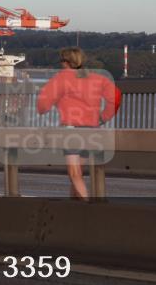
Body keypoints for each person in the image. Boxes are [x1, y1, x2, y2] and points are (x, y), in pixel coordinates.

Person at [36, 47, 122, 202]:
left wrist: (44, 109)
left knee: (74, 174)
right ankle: (75, 207)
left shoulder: (61, 78)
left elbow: (43, 104)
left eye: (61, 60)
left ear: (66, 62)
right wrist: (104, 117)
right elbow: (116, 97)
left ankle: (88, 207)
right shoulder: (96, 78)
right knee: (78, 173)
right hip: (91, 130)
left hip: (72, 130)